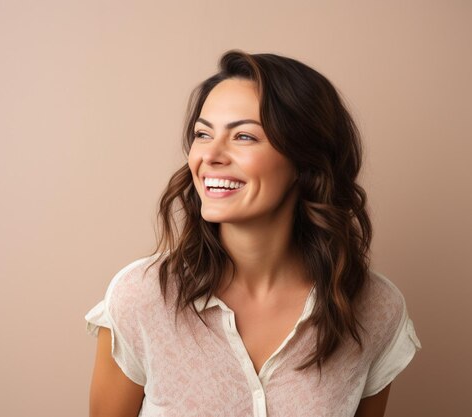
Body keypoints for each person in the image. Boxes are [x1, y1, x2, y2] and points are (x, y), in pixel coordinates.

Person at [84, 50, 422, 417]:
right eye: (202, 133)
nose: (210, 155)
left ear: (304, 162)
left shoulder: (376, 309)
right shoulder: (142, 298)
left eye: (244, 136)